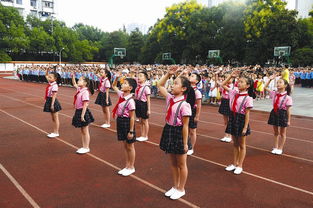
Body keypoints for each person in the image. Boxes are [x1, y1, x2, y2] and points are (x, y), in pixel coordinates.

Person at [157, 66, 195, 200]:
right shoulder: (170, 98)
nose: (172, 86)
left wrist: (185, 143)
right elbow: (159, 85)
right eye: (173, 83)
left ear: (183, 89)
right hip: (169, 130)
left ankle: (181, 188)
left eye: (176, 84)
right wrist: (168, 74)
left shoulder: (185, 105)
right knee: (173, 162)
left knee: (181, 163)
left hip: (179, 132)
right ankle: (174, 185)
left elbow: (185, 126)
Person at [222, 71, 255, 175]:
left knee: (242, 144)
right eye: (238, 81)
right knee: (235, 144)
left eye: (241, 82)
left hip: (241, 120)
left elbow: (247, 114)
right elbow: (222, 85)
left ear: (248, 86)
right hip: (233, 117)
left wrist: (245, 127)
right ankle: (234, 163)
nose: (238, 83)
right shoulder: (233, 93)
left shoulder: (248, 98)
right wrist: (231, 76)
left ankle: (240, 165)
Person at [112, 75, 137, 177]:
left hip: (127, 122)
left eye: (125, 83)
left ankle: (131, 166)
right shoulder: (121, 95)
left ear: (130, 88)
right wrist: (117, 78)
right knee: (125, 145)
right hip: (120, 121)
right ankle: (127, 165)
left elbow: (132, 117)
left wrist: (131, 131)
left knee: (130, 146)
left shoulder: (130, 101)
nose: (122, 84)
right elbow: (114, 86)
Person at [264, 75, 292, 155]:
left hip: (283, 114)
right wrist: (270, 80)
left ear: (285, 85)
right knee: (276, 132)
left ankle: (280, 148)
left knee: (283, 133)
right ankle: (275, 146)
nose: (278, 84)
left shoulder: (288, 97)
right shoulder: (274, 93)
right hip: (275, 112)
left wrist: (289, 120)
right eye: (277, 82)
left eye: (280, 82)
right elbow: (265, 87)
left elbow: (288, 110)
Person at [71, 74, 95, 154]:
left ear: (85, 83)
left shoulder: (85, 92)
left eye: (80, 80)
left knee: (85, 130)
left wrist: (82, 115)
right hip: (79, 110)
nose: (78, 81)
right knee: (82, 130)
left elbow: (85, 104)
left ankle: (86, 147)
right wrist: (73, 77)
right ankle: (84, 146)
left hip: (83, 111)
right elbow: (74, 84)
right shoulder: (80, 89)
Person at [43, 69, 62, 138]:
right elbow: (46, 75)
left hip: (52, 101)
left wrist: (52, 104)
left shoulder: (54, 85)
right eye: (49, 77)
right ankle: (54, 131)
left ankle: (56, 132)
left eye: (50, 77)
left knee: (55, 118)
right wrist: (47, 70)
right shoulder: (50, 83)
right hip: (49, 100)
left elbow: (54, 95)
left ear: (55, 78)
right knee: (53, 118)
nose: (49, 78)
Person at [135, 71, 151, 142]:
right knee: (141, 121)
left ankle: (145, 135)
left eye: (141, 76)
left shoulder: (146, 87)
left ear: (145, 78)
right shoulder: (138, 86)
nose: (139, 77)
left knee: (145, 121)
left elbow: (148, 100)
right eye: (138, 75)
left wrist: (149, 109)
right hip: (138, 103)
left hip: (143, 104)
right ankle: (142, 135)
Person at [217, 73, 233, 143]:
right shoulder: (223, 86)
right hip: (224, 101)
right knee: (225, 121)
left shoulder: (233, 86)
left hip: (230, 102)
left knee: (231, 120)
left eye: (229, 78)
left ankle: (230, 136)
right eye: (225, 77)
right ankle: (226, 135)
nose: (227, 79)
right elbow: (219, 86)